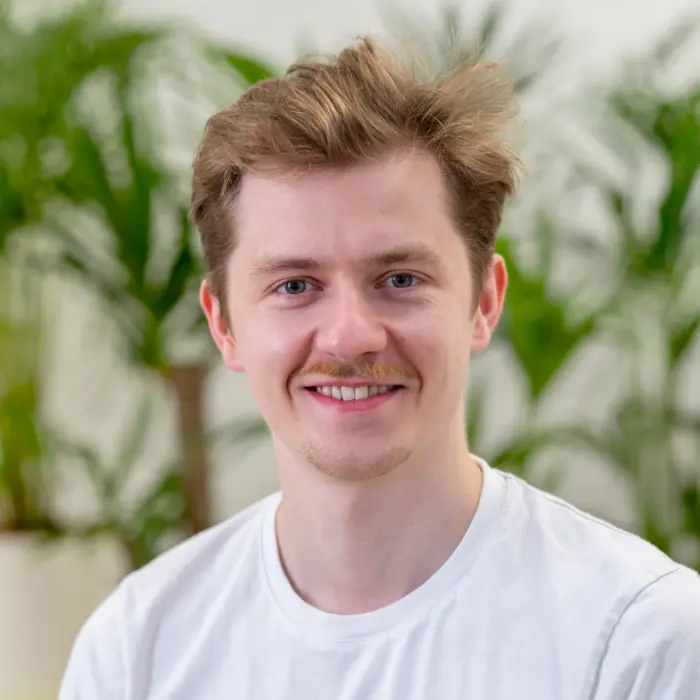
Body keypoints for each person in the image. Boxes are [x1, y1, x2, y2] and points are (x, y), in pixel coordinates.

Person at [60, 36, 700, 700]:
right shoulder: (137, 649)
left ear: (484, 302)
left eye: (399, 278)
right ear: (223, 325)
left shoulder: (637, 640)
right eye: (294, 286)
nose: (351, 336)